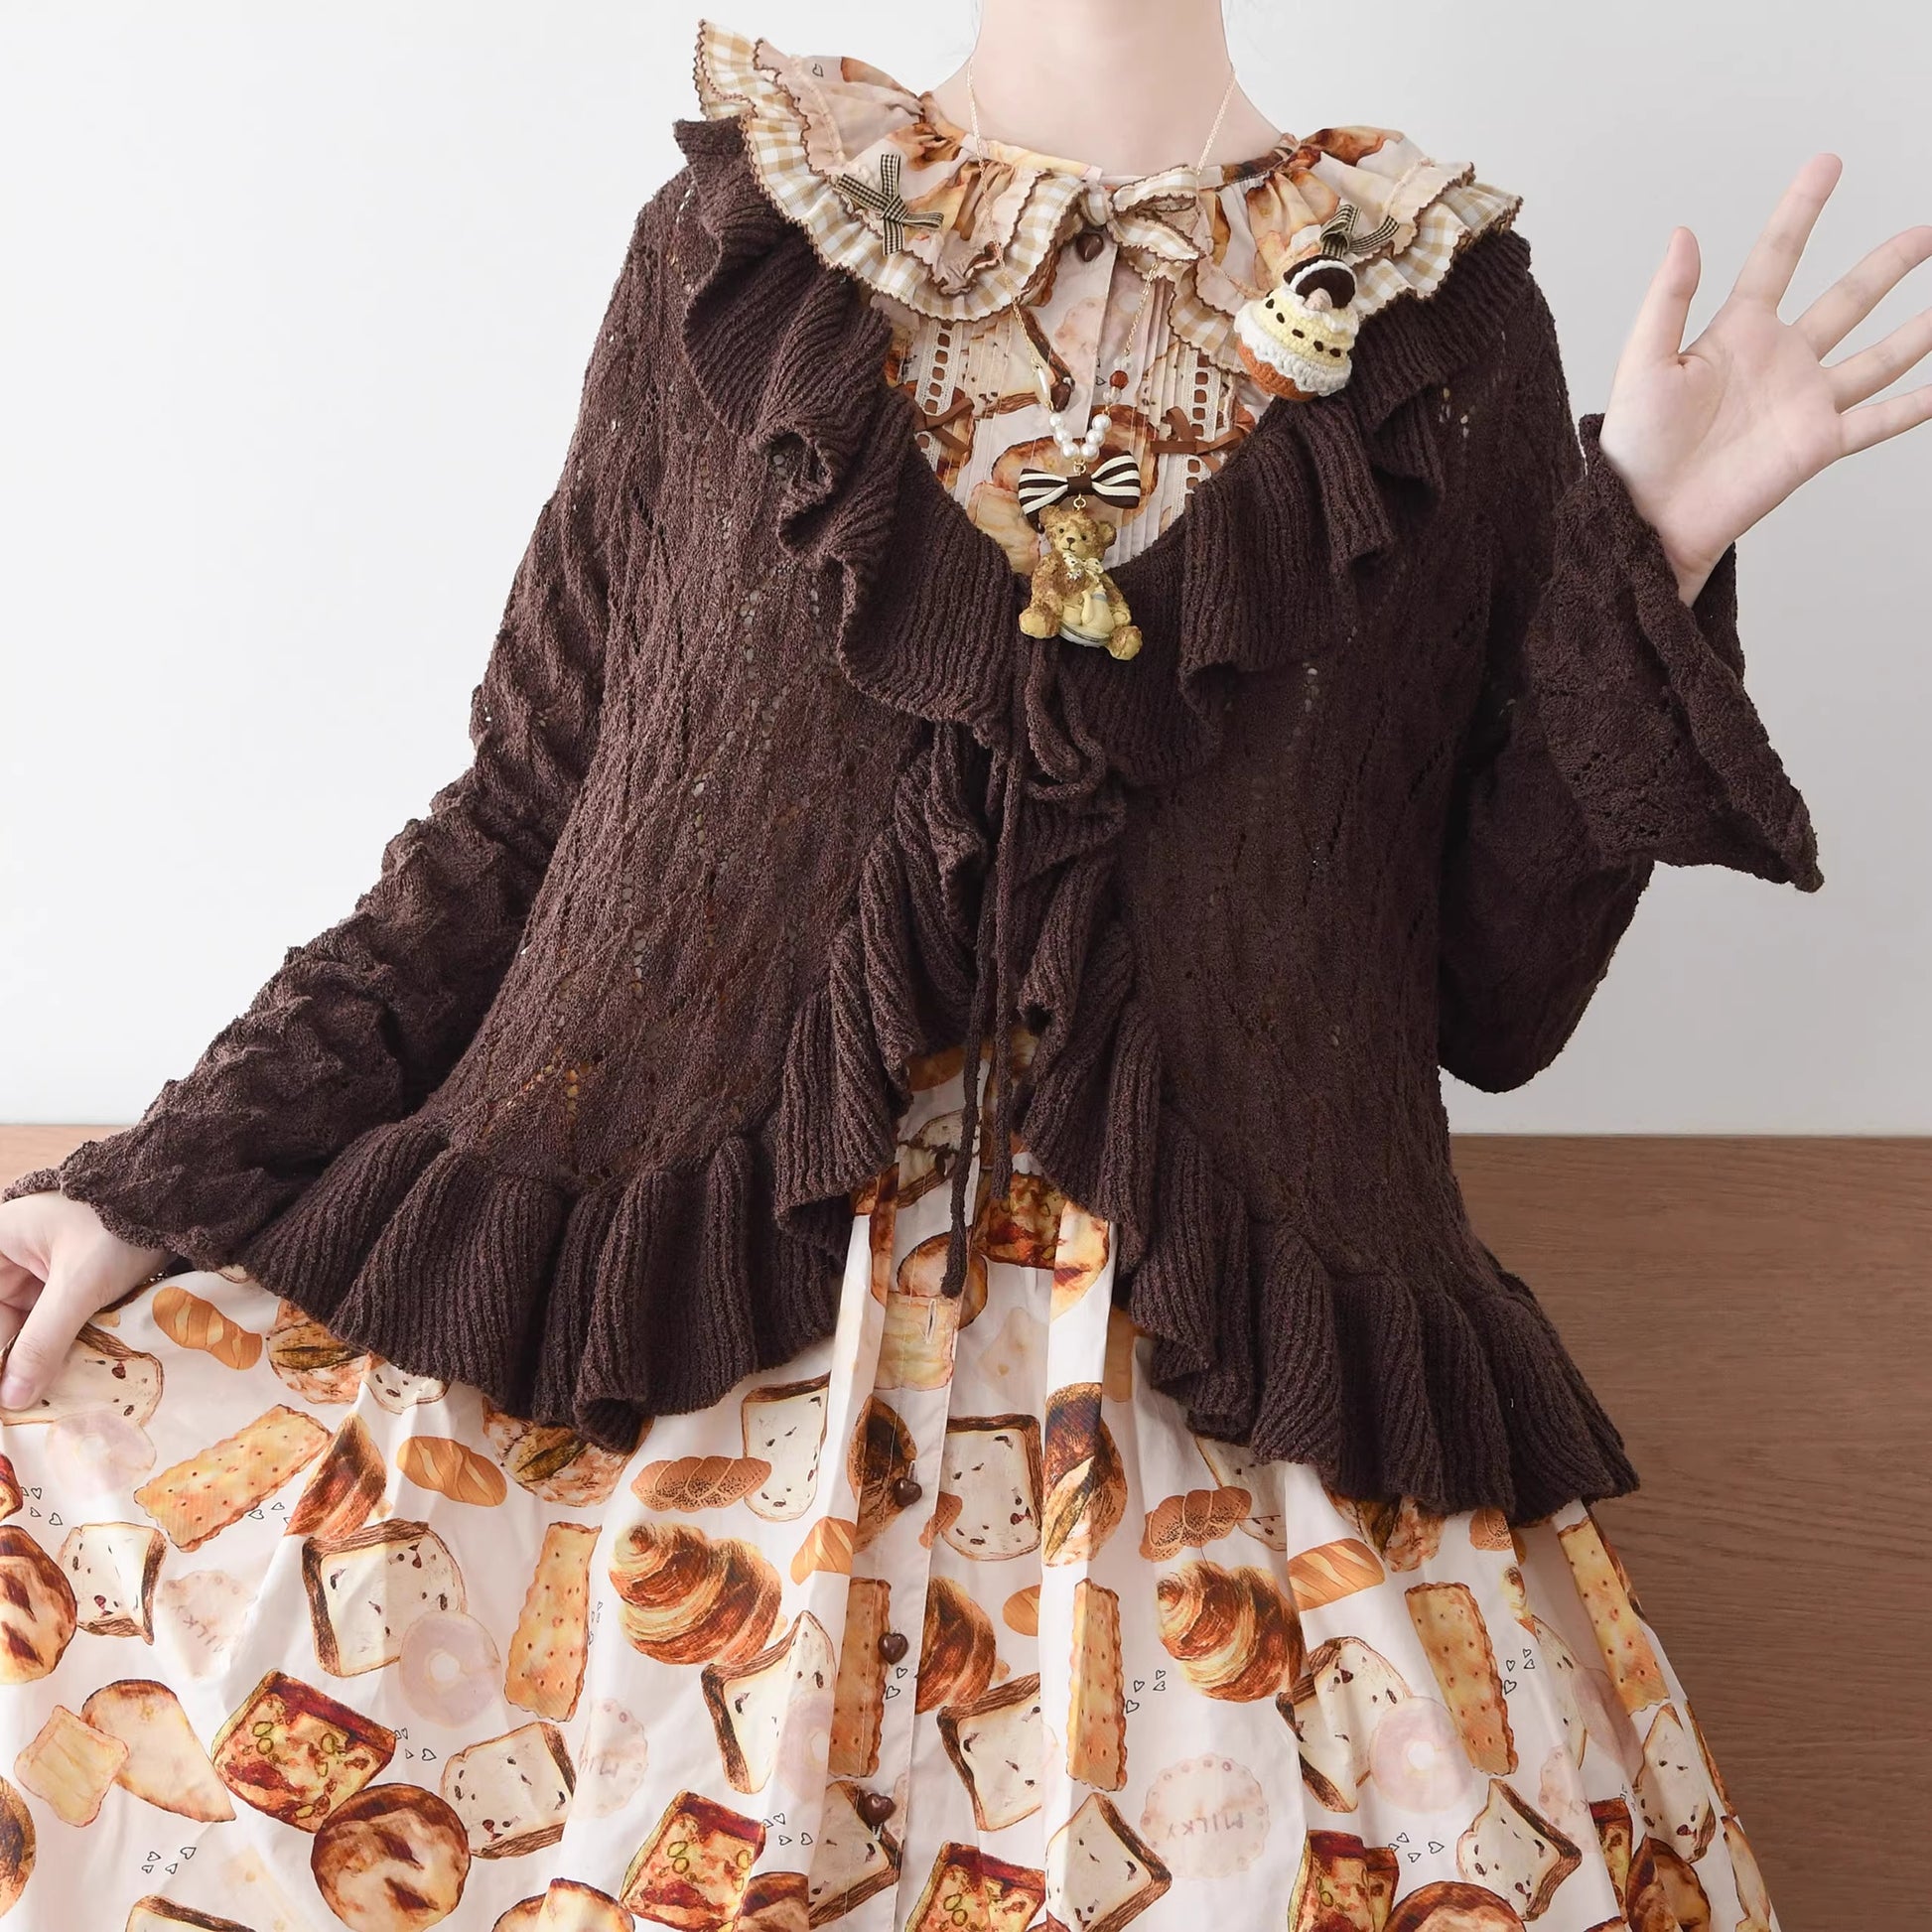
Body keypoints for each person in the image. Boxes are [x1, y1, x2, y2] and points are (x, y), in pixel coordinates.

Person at [0, 5, 1924, 1927]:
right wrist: (161, 1178)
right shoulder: (736, 245)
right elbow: (527, 810)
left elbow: (1490, 1002)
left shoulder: (1443, 326)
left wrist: (1647, 551)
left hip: (1222, 1425)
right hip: (655, 1352)